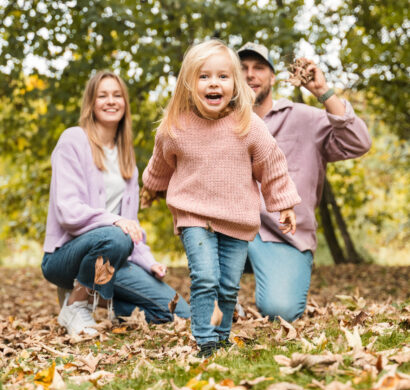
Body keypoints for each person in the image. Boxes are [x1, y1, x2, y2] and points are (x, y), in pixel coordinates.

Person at [141, 39, 301, 357]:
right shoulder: (175, 127)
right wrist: (151, 187)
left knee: (228, 285)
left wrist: (283, 202)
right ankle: (205, 341)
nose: (214, 83)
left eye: (223, 76)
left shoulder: (248, 125)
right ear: (189, 83)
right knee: (205, 276)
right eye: (204, 76)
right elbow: (160, 161)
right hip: (193, 213)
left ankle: (222, 335)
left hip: (237, 215)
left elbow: (271, 164)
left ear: (234, 84)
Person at [41, 71, 190, 336]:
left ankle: (111, 303)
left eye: (117, 95)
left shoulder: (126, 159)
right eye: (103, 95)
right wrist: (115, 222)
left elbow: (132, 226)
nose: (111, 101)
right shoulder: (73, 140)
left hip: (112, 255)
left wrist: (148, 262)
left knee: (179, 312)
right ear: (91, 103)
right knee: (116, 237)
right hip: (64, 257)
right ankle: (76, 304)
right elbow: (68, 211)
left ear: (125, 103)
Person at [238, 41, 372, 322]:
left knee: (280, 311)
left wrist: (323, 92)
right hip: (231, 228)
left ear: (273, 77)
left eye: (259, 67)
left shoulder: (303, 118)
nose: (250, 74)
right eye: (242, 68)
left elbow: (359, 143)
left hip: (282, 236)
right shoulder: (222, 124)